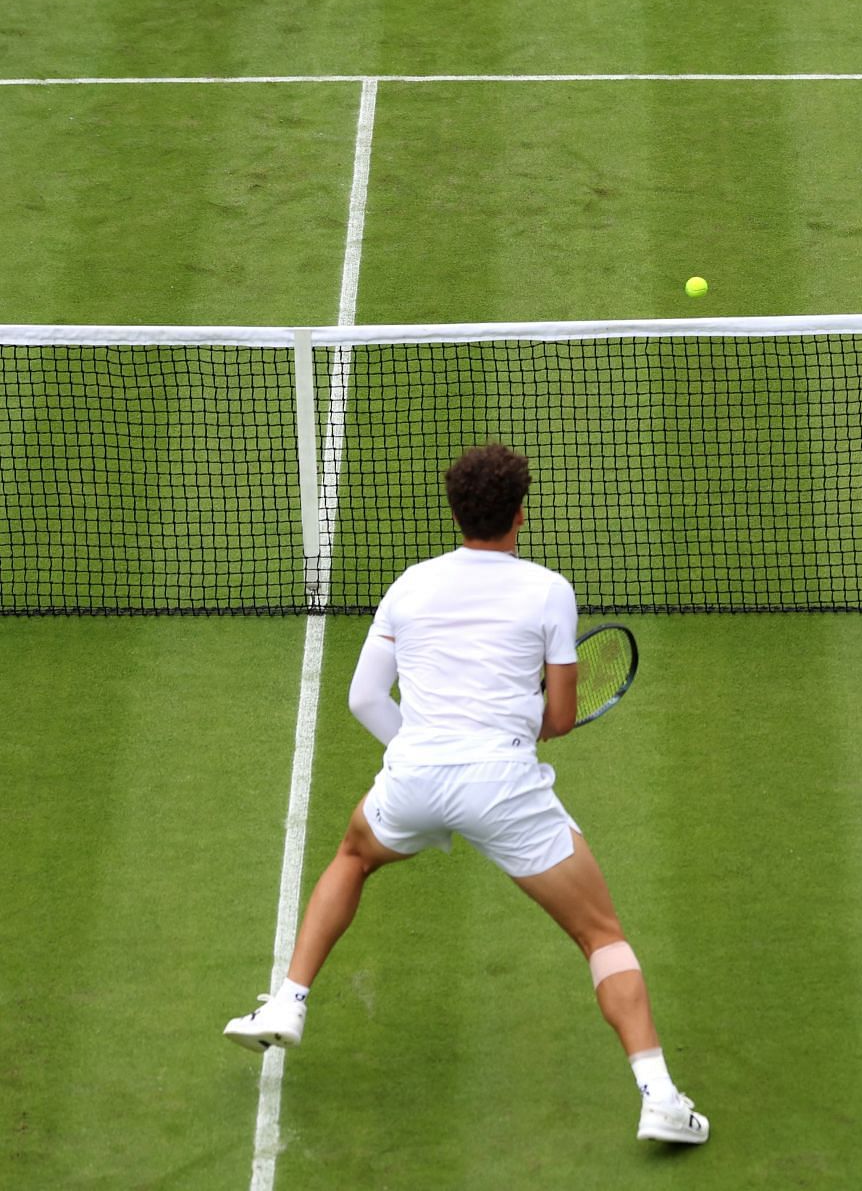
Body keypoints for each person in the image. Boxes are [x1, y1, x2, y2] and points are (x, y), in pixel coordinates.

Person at [223, 443, 708, 1147]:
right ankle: (660, 1096)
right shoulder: (549, 590)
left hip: (414, 773)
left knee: (353, 855)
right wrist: (501, 739)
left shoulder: (410, 584)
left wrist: (424, 756)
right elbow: (563, 718)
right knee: (600, 933)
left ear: (456, 512)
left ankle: (290, 1000)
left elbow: (364, 697)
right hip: (505, 785)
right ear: (520, 513)